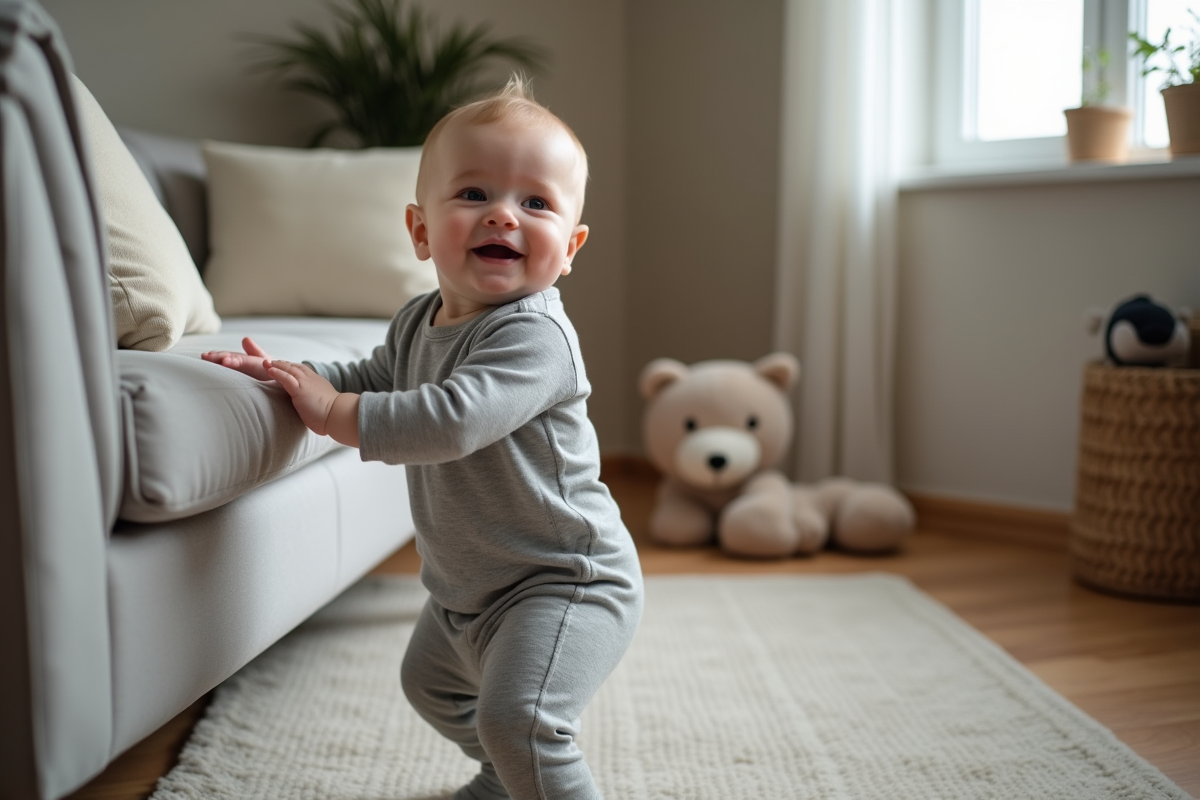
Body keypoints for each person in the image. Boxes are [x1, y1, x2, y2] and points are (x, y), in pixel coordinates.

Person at [201, 76, 643, 800]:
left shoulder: (537, 337)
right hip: (467, 587)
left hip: (562, 581)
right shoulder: (417, 320)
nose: (504, 215)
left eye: (536, 203)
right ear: (418, 230)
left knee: (521, 718)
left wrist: (332, 412)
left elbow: (452, 419)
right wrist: (291, 373)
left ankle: (524, 762)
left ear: (569, 247)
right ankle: (508, 779)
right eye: (474, 195)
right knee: (431, 689)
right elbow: (373, 373)